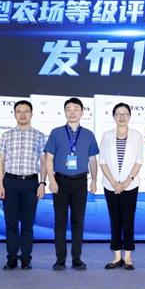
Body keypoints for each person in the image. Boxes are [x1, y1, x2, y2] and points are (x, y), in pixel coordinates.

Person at [44, 98, 99, 271]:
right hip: (60, 182)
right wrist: (51, 180)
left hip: (80, 182)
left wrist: (94, 180)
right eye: (69, 109)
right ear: (65, 112)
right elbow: (49, 158)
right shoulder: (56, 133)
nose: (72, 112)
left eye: (76, 109)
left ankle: (77, 259)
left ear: (82, 112)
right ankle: (60, 260)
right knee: (60, 222)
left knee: (78, 222)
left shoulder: (88, 134)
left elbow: (92, 160)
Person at [0, 100, 47, 270]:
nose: (23, 114)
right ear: (14, 114)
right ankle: (11, 258)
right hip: (10, 182)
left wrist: (42, 183)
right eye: (19, 111)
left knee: (27, 224)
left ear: (32, 114)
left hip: (31, 183)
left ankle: (26, 259)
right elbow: (0, 162)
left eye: (26, 111)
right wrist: (0, 184)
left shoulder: (40, 136)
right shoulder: (6, 135)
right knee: (11, 223)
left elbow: (44, 162)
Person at [98, 103, 144, 270]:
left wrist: (125, 182)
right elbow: (102, 161)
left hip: (130, 185)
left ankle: (128, 257)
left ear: (130, 116)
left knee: (128, 220)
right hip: (110, 185)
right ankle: (117, 256)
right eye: (118, 114)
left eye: (125, 113)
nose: (122, 117)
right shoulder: (107, 136)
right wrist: (113, 182)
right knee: (115, 220)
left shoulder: (137, 136)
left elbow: (139, 161)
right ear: (114, 116)